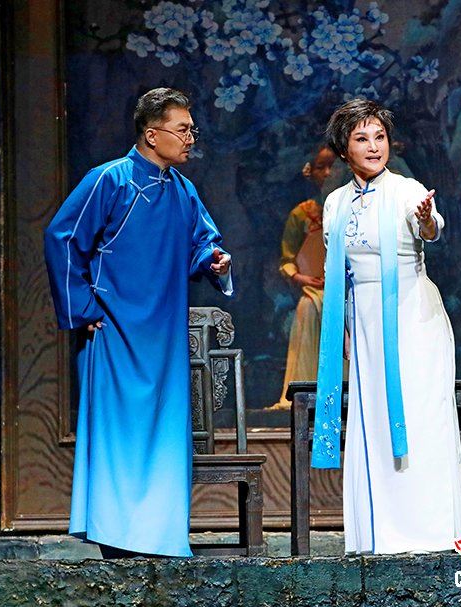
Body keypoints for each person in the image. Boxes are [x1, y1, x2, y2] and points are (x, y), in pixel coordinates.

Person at [44, 88, 232, 557]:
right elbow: (62, 237)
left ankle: (158, 537)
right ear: (152, 134)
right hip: (114, 330)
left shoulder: (183, 190)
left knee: (163, 432)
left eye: (191, 129)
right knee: (118, 433)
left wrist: (214, 260)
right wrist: (83, 307)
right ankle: (116, 538)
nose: (191, 138)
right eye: (183, 130)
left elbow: (202, 242)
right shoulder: (110, 180)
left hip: (163, 335)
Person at [311, 98, 461, 554]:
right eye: (362, 138)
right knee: (373, 420)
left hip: (411, 317)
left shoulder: (405, 189)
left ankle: (430, 532)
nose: (373, 146)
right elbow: (336, 272)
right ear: (344, 149)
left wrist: (426, 220)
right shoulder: (336, 202)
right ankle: (380, 534)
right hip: (362, 322)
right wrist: (342, 328)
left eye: (379, 137)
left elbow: (431, 227)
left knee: (418, 418)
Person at [274, 146, 336, 409]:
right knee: (308, 308)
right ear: (310, 172)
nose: (328, 173)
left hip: (346, 289)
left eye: (333, 166)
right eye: (321, 167)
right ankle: (305, 396)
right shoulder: (302, 214)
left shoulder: (353, 207)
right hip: (313, 291)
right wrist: (303, 279)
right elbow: (286, 261)